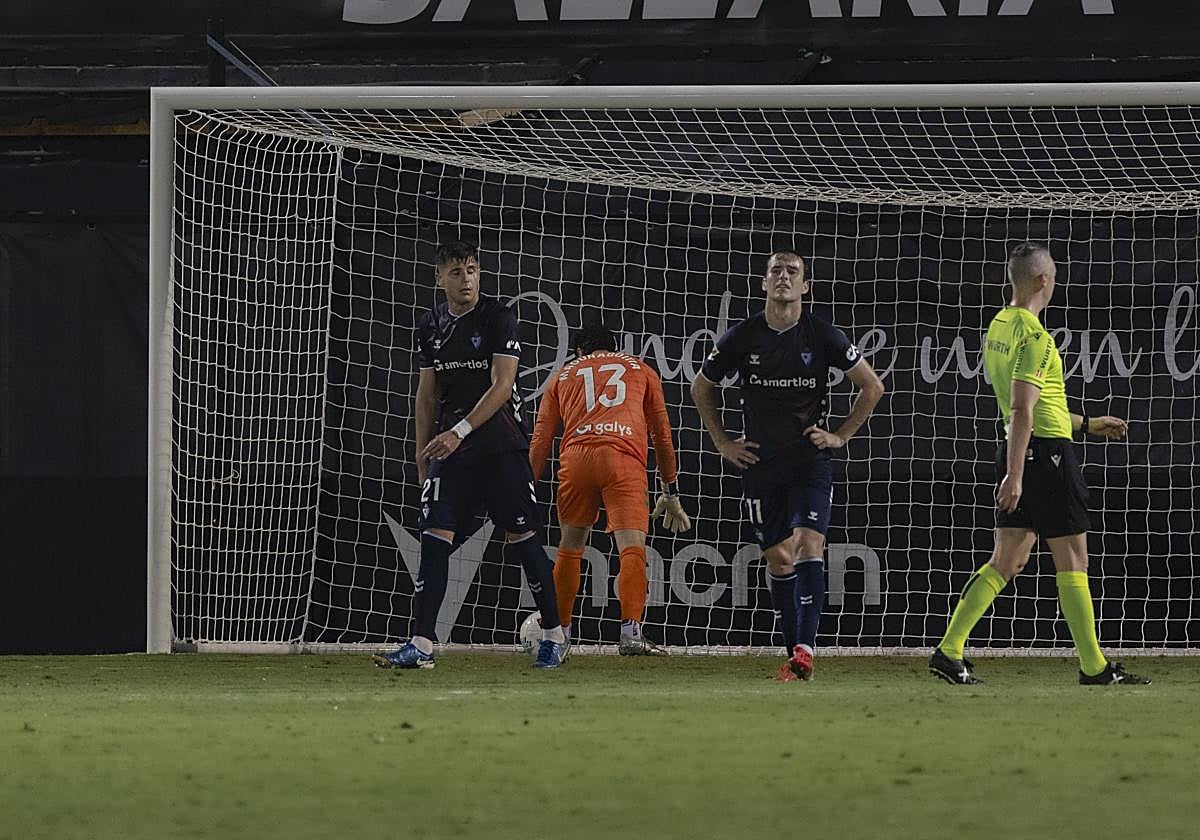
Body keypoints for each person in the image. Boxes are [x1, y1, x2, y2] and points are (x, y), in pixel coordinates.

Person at [929, 242, 1149, 686]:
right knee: (1073, 560)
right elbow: (1022, 409)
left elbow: (1036, 406)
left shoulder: (999, 326)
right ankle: (1094, 667)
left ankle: (949, 651)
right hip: (1045, 458)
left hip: (1022, 450)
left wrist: (1086, 424)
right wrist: (1016, 475)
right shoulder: (1036, 337)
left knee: (1007, 560)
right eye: (1055, 275)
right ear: (1045, 280)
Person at [691, 250, 884, 681]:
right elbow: (701, 387)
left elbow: (872, 387)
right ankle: (794, 655)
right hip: (760, 464)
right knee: (779, 560)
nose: (783, 276)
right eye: (775, 270)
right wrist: (722, 442)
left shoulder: (822, 334)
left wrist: (840, 435)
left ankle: (806, 650)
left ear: (805, 286)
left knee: (808, 546)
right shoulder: (743, 336)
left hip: (808, 461)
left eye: (792, 271)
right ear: (764, 283)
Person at [373, 239, 566, 670]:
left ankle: (554, 634)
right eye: (457, 272)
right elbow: (427, 394)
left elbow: (502, 385)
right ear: (439, 278)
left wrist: (458, 432)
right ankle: (422, 643)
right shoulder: (430, 325)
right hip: (451, 451)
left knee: (524, 541)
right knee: (434, 538)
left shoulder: (498, 317)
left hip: (500, 447)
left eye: (473, 270)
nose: (467, 280)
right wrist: (421, 454)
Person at [529, 322, 690, 656]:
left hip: (576, 459)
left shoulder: (562, 376)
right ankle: (631, 634)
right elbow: (662, 435)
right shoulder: (642, 370)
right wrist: (670, 490)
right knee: (631, 548)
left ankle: (559, 637)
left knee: (569, 548)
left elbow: (541, 438)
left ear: (578, 351)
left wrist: (525, 489)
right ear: (615, 348)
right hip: (623, 459)